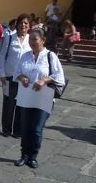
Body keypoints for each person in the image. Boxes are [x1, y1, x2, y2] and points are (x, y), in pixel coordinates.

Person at [13, 29, 65, 168]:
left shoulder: (50, 56)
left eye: (35, 39)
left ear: (43, 40)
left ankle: (33, 156)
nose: (32, 42)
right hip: (27, 97)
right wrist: (22, 77)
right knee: (24, 127)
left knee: (36, 128)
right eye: (30, 39)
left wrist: (44, 80)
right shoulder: (25, 56)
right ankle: (24, 155)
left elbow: (59, 77)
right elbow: (16, 72)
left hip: (44, 98)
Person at [0, 13, 32, 137]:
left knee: (21, 105)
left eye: (26, 23)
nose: (23, 25)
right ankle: (6, 129)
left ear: (29, 26)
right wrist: (1, 72)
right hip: (10, 76)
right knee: (8, 104)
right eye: (21, 22)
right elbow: (1, 55)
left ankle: (17, 131)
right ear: (17, 25)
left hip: (24, 78)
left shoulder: (31, 39)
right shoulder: (10, 38)